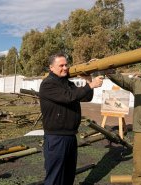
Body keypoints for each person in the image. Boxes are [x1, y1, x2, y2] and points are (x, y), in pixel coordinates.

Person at [39, 53, 103, 185]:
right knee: (55, 177)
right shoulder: (48, 84)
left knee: (69, 175)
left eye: (66, 64)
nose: (65, 68)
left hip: (70, 136)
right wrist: (90, 86)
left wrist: (88, 81)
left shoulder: (67, 83)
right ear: (51, 67)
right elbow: (69, 97)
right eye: (61, 65)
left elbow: (85, 97)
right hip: (56, 137)